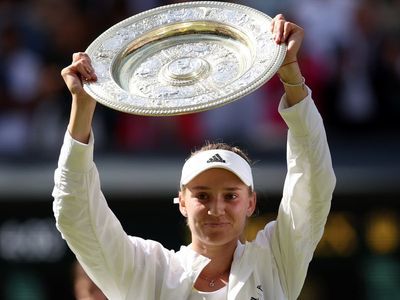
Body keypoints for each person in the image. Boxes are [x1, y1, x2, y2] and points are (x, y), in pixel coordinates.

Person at [52, 14, 336, 300]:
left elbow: (313, 183)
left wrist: (289, 72)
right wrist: (83, 106)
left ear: (251, 202)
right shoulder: (150, 271)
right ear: (182, 202)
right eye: (202, 195)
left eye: (230, 196)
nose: (216, 208)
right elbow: (76, 217)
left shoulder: (274, 260)